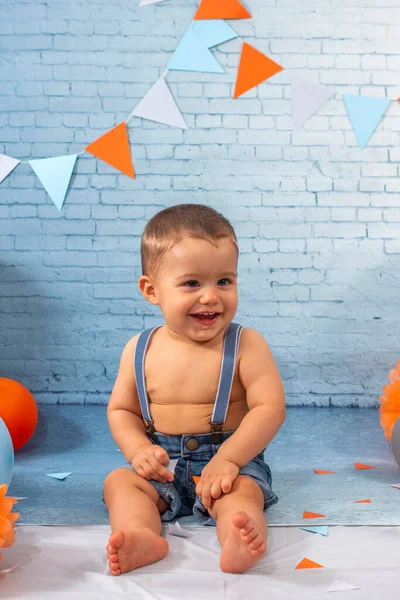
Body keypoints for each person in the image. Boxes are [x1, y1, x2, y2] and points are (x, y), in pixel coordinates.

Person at [104, 203, 286, 575]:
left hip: (228, 457)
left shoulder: (246, 344)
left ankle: (239, 536)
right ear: (151, 290)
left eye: (224, 281)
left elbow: (270, 407)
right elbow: (121, 411)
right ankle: (140, 534)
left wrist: (230, 459)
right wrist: (138, 449)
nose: (210, 296)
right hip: (162, 464)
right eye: (192, 283)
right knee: (120, 484)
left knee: (242, 495)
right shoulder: (139, 348)